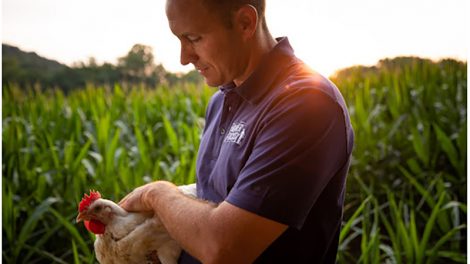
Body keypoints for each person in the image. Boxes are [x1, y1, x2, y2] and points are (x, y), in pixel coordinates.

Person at [119, 0, 354, 263]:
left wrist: (157, 195)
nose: (184, 58)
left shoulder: (307, 103)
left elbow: (225, 248)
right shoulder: (220, 102)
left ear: (245, 23)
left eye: (194, 38)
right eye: (179, 40)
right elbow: (213, 202)